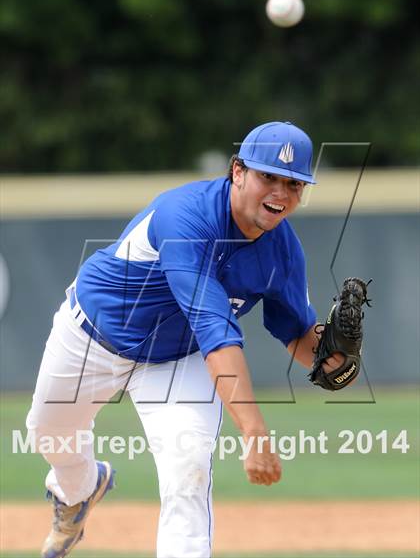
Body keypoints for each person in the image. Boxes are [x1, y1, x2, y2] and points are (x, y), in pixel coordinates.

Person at [26, 121, 344, 558]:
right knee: (49, 434)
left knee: (187, 473)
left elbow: (299, 335)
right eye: (267, 176)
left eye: (293, 183)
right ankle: (80, 488)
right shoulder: (186, 217)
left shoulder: (284, 251)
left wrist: (337, 359)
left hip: (177, 359)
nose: (280, 192)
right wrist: (253, 432)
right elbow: (217, 335)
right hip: (92, 337)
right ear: (238, 172)